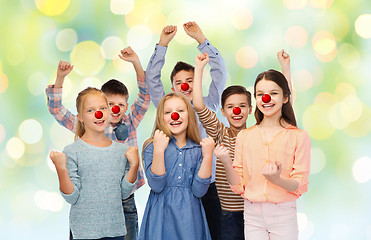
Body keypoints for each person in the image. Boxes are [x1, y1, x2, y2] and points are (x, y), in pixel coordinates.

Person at [45, 46, 149, 240]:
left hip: (124, 199)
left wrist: (136, 63)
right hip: (90, 205)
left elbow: (145, 96)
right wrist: (60, 79)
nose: (114, 109)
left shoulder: (131, 120)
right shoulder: (86, 125)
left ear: (126, 106)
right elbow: (57, 110)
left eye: (120, 105)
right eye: (108, 105)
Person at [193, 50, 292, 239]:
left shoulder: (259, 133)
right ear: (223, 111)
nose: (236, 111)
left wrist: (285, 68)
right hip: (227, 214)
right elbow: (198, 105)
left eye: (242, 106)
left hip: (256, 212)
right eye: (230, 107)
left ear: (250, 109)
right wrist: (199, 68)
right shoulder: (219, 133)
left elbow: (285, 108)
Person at [145, 21, 227, 240]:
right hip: (173, 187)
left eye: (190, 81)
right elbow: (151, 79)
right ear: (172, 88)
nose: (184, 86)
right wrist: (162, 44)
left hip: (206, 185)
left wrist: (202, 40)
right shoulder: (167, 107)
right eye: (179, 82)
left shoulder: (208, 105)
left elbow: (220, 73)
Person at [216, 69, 311, 240]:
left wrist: (277, 179)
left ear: (285, 97)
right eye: (260, 94)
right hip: (252, 214)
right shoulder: (244, 136)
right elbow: (238, 184)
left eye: (273, 93)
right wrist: (225, 162)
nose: (266, 99)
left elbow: (300, 184)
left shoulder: (298, 136)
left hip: (283, 213)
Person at [49, 87, 139, 240]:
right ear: (81, 117)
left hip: (116, 232)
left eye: (103, 108)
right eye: (91, 110)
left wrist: (135, 165)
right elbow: (71, 196)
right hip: (84, 233)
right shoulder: (72, 151)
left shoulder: (121, 150)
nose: (99, 113)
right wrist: (61, 168)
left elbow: (124, 193)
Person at [138, 92, 215, 240]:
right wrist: (159, 150)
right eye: (168, 112)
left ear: (189, 115)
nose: (175, 115)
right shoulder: (151, 146)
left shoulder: (198, 149)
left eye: (180, 111)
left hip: (190, 219)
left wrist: (208, 157)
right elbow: (156, 185)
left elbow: (199, 191)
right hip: (160, 216)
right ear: (161, 117)